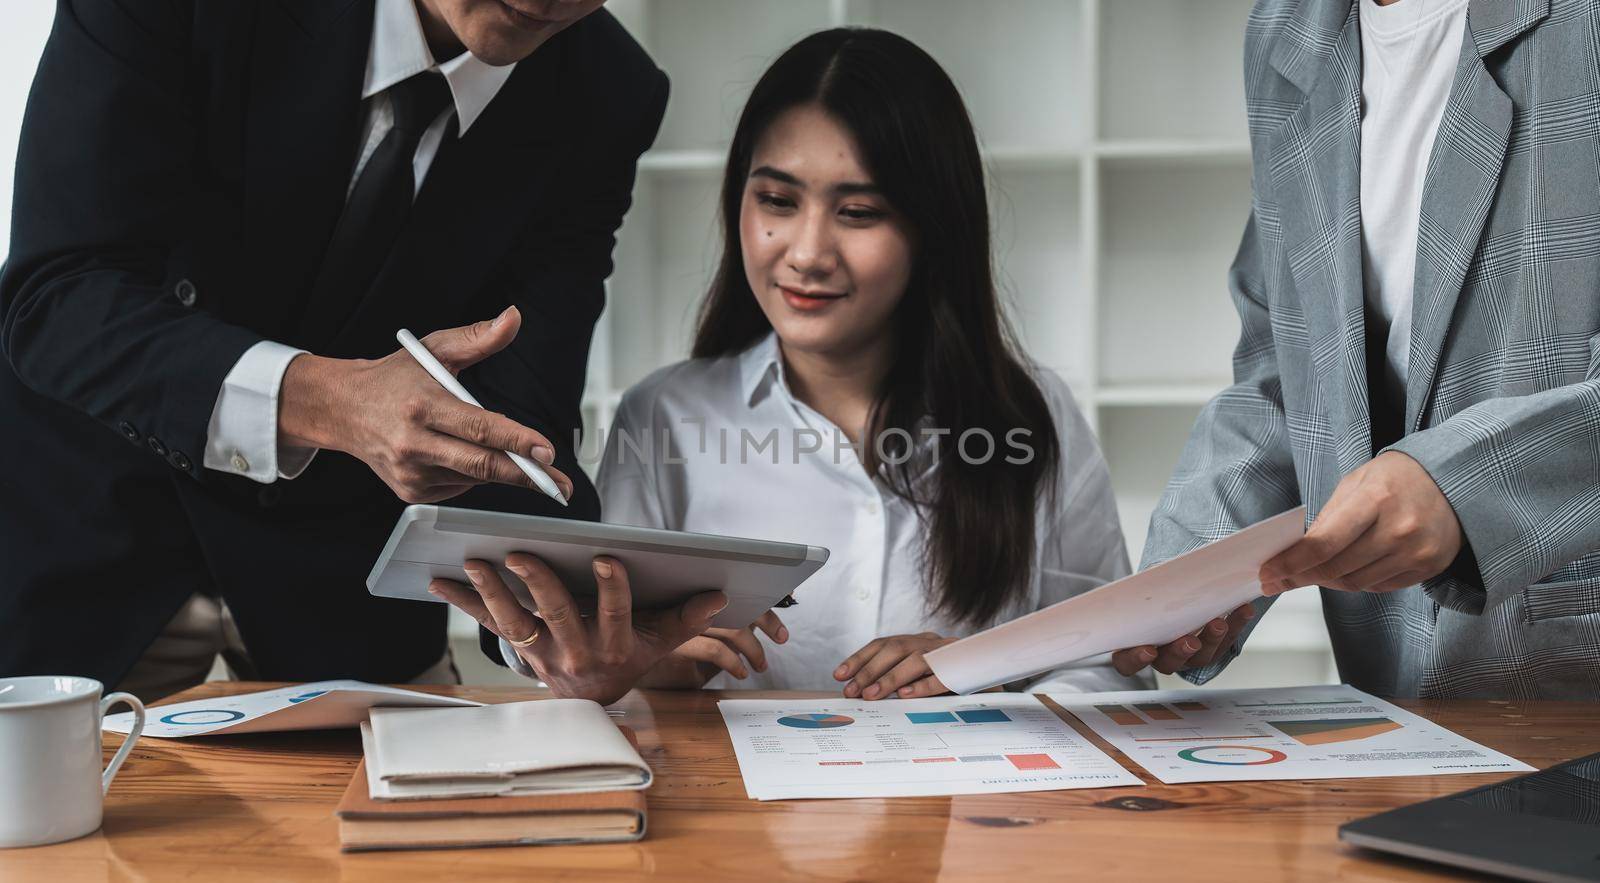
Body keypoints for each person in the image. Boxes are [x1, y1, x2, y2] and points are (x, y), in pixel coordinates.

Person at [0, 0, 720, 699]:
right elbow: (59, 297)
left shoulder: (607, 91)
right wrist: (332, 402)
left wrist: (565, 625)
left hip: (347, 583)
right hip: (87, 538)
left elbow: (519, 413)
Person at [431, 28, 1149, 699]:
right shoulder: (667, 417)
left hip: (964, 825)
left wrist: (982, 668)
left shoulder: (1033, 418)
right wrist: (650, 667)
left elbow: (1112, 670)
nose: (806, 252)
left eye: (858, 212)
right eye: (776, 199)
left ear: (934, 228)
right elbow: (607, 668)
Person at [1109, 0, 1600, 699]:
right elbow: (1289, 368)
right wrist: (1194, 569)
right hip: (1392, 698)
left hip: (1569, 686)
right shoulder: (1288, 28)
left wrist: (1465, 484)